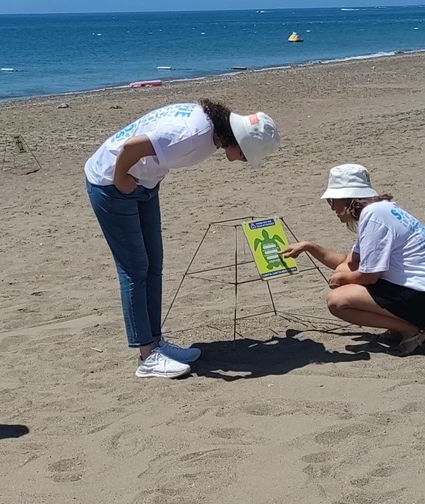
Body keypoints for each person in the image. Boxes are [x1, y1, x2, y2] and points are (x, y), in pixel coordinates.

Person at [85, 99, 280, 378]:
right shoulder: (195, 135)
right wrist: (121, 180)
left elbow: (154, 147)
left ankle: (155, 342)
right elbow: (131, 148)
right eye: (247, 157)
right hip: (110, 184)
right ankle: (147, 355)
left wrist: (145, 181)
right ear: (240, 144)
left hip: (143, 184)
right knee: (135, 269)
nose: (244, 162)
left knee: (154, 264)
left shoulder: (210, 128)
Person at [282, 163, 425, 355]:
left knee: (337, 301)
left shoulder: (373, 216)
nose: (332, 208)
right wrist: (308, 246)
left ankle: (409, 330)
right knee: (345, 272)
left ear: (347, 198)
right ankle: (400, 325)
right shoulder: (380, 210)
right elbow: (348, 261)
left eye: (332, 200)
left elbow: (370, 276)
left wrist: (342, 279)